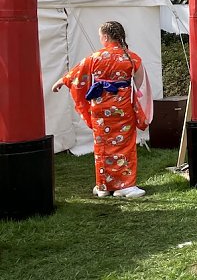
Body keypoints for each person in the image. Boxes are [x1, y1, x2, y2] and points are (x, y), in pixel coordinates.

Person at [52, 21, 151, 198]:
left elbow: (76, 76)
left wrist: (61, 82)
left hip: (99, 109)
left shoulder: (95, 57)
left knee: (102, 146)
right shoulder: (132, 57)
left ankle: (103, 186)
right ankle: (125, 186)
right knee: (124, 145)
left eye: (100, 36)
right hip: (122, 108)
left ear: (105, 36)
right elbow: (138, 84)